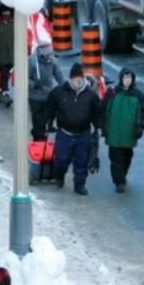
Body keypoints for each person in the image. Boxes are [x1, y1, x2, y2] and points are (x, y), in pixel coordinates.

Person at [45, 63, 103, 195]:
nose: (78, 80)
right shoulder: (59, 92)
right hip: (64, 133)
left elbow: (97, 112)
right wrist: (49, 122)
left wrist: (98, 127)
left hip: (83, 135)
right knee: (61, 159)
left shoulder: (91, 95)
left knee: (81, 162)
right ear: (70, 79)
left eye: (80, 78)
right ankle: (59, 177)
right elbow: (50, 107)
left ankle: (79, 185)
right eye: (75, 78)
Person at [102, 67, 144, 193]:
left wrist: (140, 128)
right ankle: (119, 181)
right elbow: (103, 110)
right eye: (125, 77)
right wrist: (103, 128)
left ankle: (122, 175)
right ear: (121, 78)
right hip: (114, 133)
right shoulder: (112, 93)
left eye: (129, 77)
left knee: (127, 157)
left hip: (129, 134)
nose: (127, 80)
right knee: (115, 158)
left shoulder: (138, 95)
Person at [29, 41, 65, 141]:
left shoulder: (52, 61)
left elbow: (59, 75)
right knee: (37, 119)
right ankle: (38, 138)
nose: (48, 57)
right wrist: (35, 85)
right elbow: (24, 78)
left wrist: (65, 87)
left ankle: (42, 132)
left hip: (48, 95)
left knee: (47, 117)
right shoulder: (31, 61)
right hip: (35, 97)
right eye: (46, 55)